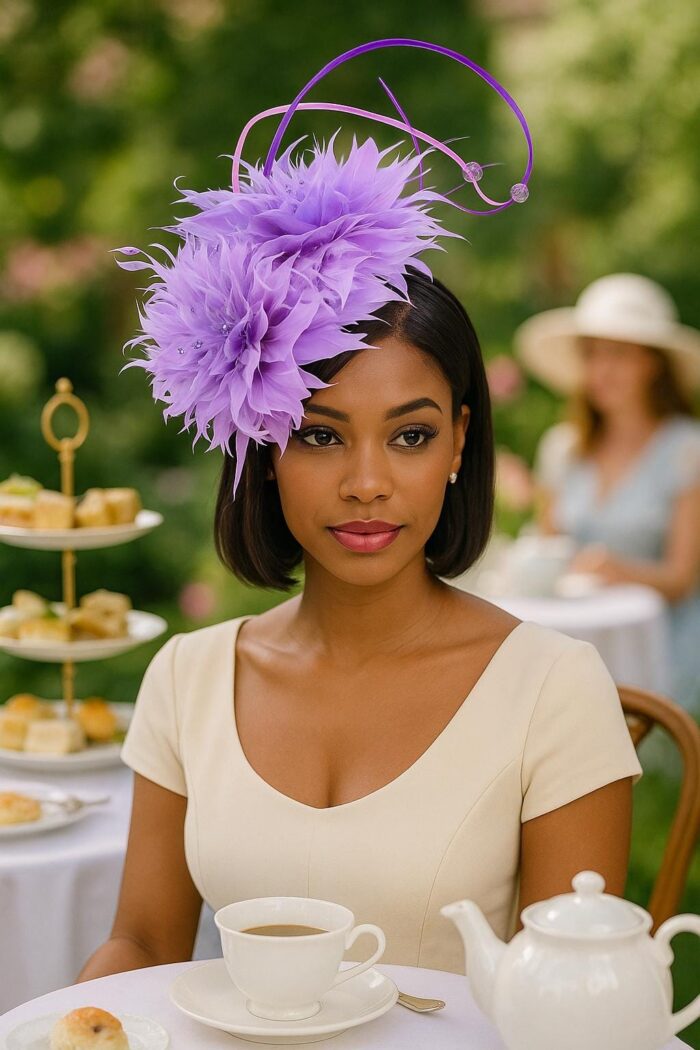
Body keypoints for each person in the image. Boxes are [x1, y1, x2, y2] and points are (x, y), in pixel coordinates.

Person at [79, 41, 641, 982]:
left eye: (411, 436)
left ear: (461, 442)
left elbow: (573, 998)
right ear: (262, 448)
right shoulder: (190, 678)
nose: (368, 483)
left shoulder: (553, 688)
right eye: (322, 435)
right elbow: (143, 942)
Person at [516, 274, 700, 715]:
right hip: (576, 639)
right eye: (591, 354)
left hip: (663, 642)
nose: (601, 370)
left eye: (618, 354)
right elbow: (549, 547)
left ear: (652, 363)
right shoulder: (563, 448)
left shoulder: (686, 448)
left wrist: (621, 571)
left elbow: (681, 578)